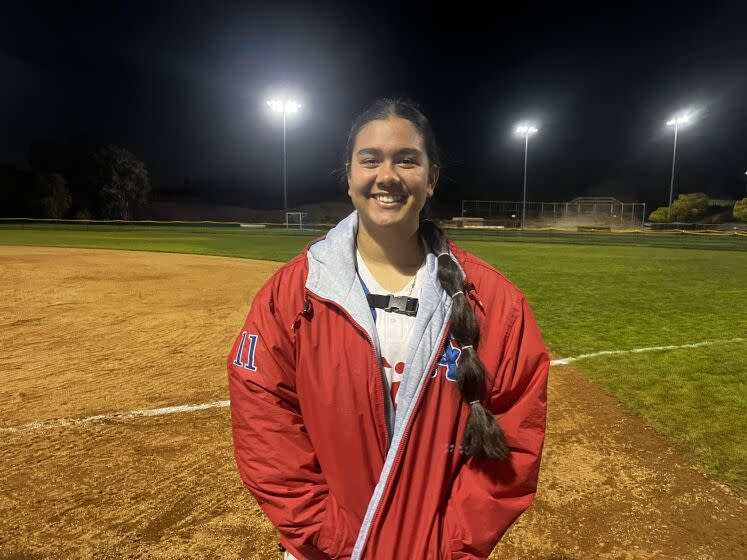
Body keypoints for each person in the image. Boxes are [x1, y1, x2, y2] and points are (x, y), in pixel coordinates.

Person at [228, 98, 549, 559]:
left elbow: (513, 442)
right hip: (323, 552)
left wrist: (445, 547)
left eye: (407, 160)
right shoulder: (291, 295)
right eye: (371, 159)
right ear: (349, 174)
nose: (388, 175)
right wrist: (336, 538)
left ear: (431, 177)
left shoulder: (497, 306)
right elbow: (264, 423)